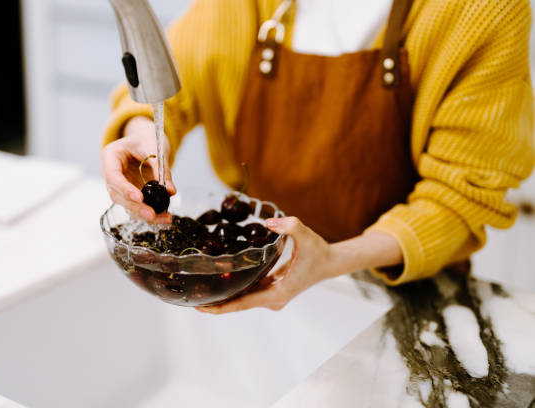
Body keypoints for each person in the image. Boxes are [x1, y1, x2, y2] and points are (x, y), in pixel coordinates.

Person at [101, 0, 535, 313]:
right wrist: (139, 137)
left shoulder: (483, 9)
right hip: (254, 271)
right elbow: (165, 89)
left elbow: (460, 198)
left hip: (397, 295)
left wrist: (332, 261)